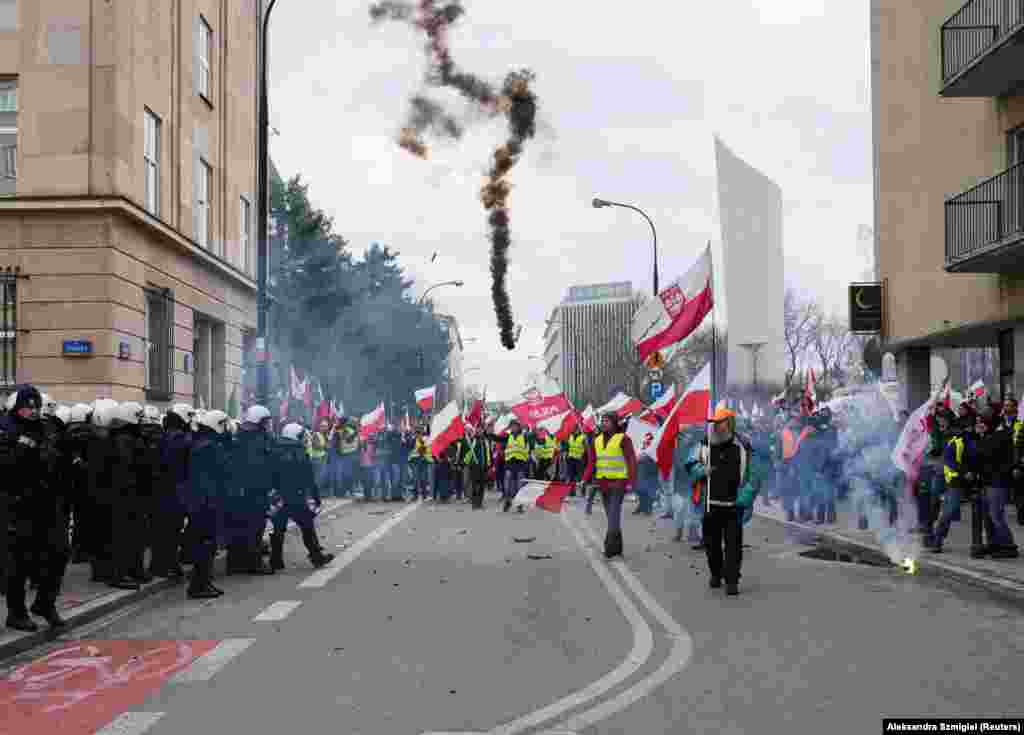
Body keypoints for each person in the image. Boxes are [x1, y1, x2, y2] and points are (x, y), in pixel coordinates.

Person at [0, 385, 69, 631]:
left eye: (35, 406)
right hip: (18, 504)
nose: (32, 411)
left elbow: (58, 459)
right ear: (17, 407)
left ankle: (44, 603)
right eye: (27, 406)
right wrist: (21, 449)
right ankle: (16, 612)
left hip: (48, 503)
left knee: (58, 554)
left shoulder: (46, 428)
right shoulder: (5, 428)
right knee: (19, 561)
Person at [695, 407, 749, 596]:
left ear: (730, 423)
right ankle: (716, 573)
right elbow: (691, 463)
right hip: (711, 504)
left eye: (721, 421)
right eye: (715, 422)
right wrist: (702, 471)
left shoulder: (742, 445)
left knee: (733, 545)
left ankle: (732, 580)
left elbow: (752, 475)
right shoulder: (705, 444)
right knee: (712, 545)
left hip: (733, 505)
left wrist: (745, 497)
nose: (717, 426)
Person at [270, 423, 335, 571]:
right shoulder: (299, 452)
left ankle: (276, 560)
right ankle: (316, 556)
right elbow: (308, 479)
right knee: (307, 526)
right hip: (296, 496)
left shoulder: (274, 450)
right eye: (301, 436)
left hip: (279, 497)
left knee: (278, 528)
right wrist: (315, 497)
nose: (304, 439)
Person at [580, 413, 638, 558]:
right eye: (603, 421)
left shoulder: (624, 439)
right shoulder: (596, 440)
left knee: (613, 516)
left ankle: (610, 549)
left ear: (615, 423)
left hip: (619, 483)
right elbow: (592, 462)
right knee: (612, 517)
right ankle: (618, 548)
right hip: (603, 484)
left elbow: (631, 460)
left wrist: (631, 482)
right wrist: (584, 479)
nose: (604, 423)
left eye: (607, 421)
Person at [229, 405, 276, 575]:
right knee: (254, 528)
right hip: (255, 490)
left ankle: (235, 563)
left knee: (240, 526)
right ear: (260, 421)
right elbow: (259, 467)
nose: (269, 424)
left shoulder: (240, 436)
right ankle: (254, 563)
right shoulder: (257, 439)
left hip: (241, 491)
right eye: (266, 421)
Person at [150, 404, 192, 580]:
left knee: (163, 530)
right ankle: (166, 565)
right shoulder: (179, 438)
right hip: (173, 490)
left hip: (162, 489)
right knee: (170, 530)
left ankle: (162, 564)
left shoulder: (164, 435)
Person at [503, 419, 530, 512]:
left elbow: (534, 436)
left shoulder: (525, 436)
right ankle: (507, 502)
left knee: (519, 486)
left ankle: (519, 505)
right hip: (509, 464)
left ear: (519, 427)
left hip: (520, 464)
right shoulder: (507, 436)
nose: (513, 427)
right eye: (512, 426)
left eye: (515, 426)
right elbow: (496, 438)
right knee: (507, 485)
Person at [462, 424, 491, 509]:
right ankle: (474, 503)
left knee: (482, 486)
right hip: (474, 466)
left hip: (484, 466)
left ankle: (480, 503)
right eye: (478, 429)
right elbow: (467, 452)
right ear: (476, 430)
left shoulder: (485, 440)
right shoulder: (472, 440)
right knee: (474, 486)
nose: (480, 431)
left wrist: (489, 464)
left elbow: (488, 453)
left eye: (481, 429)